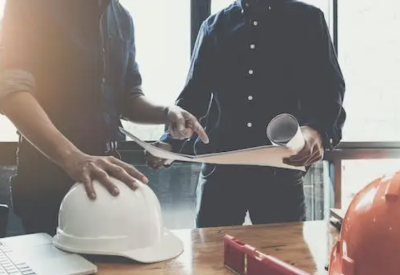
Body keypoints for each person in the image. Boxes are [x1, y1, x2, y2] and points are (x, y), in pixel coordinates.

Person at [0, 0, 208, 235]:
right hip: (46, 181)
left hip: (106, 181)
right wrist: (73, 158)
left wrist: (168, 113)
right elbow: (12, 91)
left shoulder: (122, 18)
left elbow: (129, 97)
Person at [146, 0, 346, 228]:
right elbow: (193, 97)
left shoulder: (308, 20)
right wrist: (168, 143)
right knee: (211, 257)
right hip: (220, 175)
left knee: (283, 258)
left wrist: (317, 130)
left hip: (280, 173)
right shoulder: (213, 26)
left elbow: (328, 88)